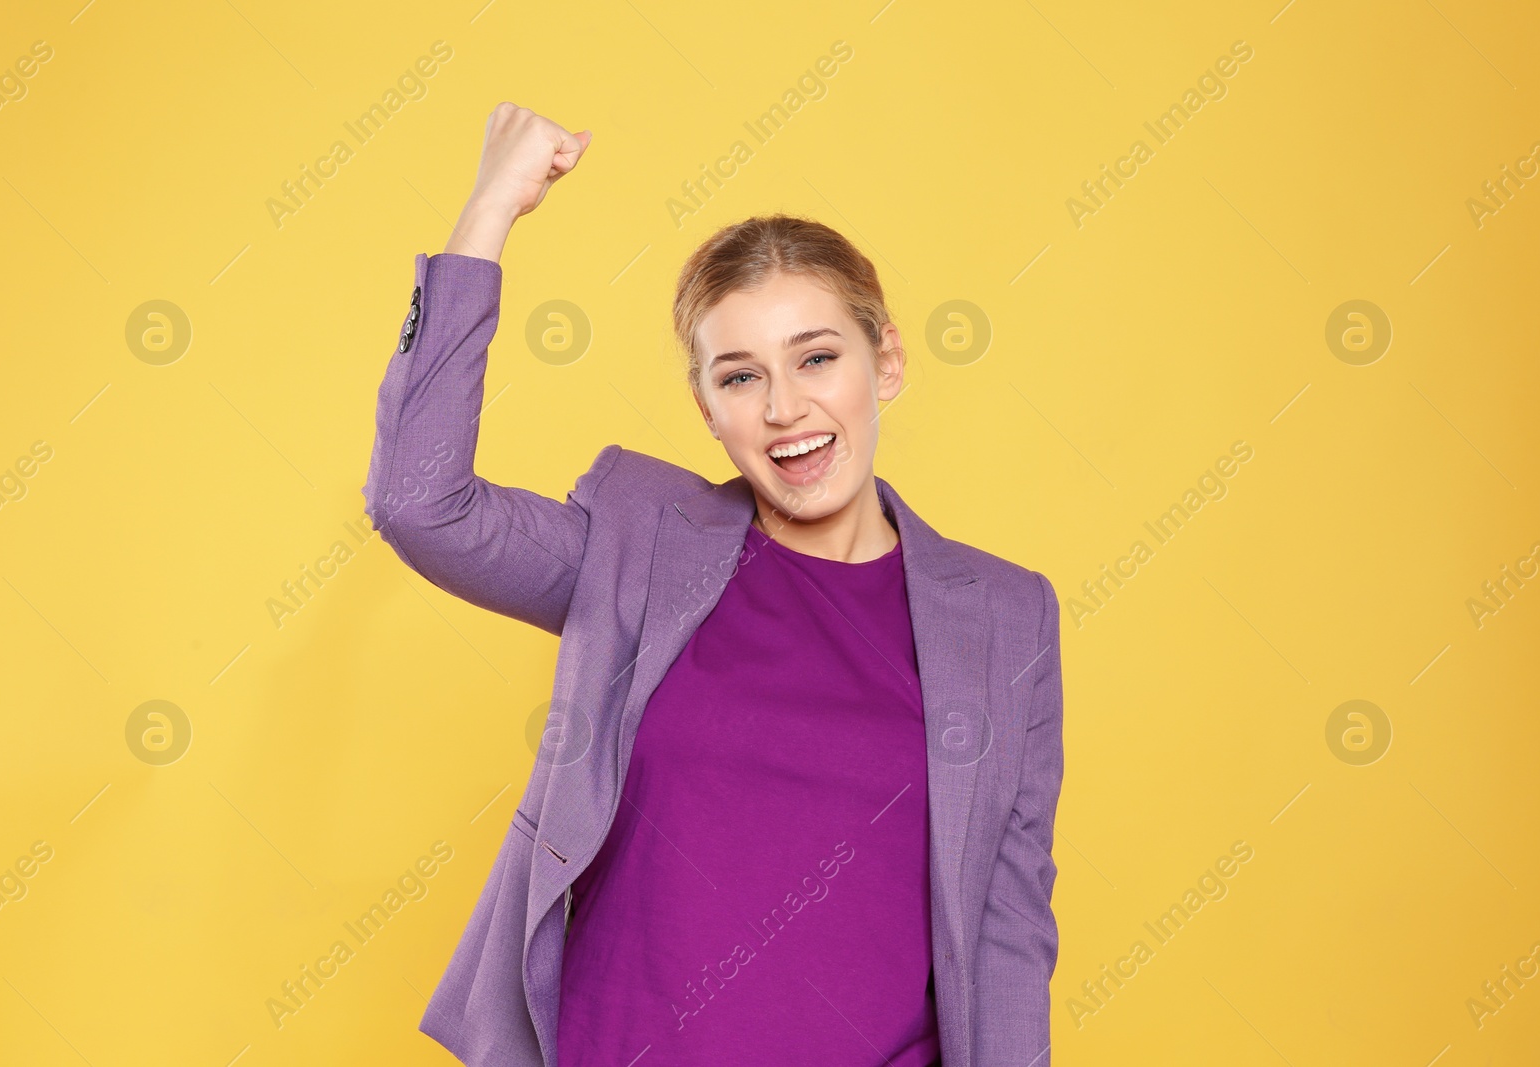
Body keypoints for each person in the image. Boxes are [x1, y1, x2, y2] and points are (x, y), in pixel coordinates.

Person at [362, 102, 1066, 1067]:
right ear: (706, 407)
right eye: (740, 378)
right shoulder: (640, 549)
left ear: (886, 360)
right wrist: (490, 213)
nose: (786, 409)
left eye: (818, 357)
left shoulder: (1004, 614)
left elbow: (1006, 926)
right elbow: (418, 502)